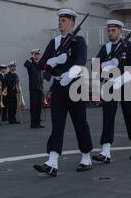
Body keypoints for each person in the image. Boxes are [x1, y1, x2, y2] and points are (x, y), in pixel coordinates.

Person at [33, 9, 94, 176]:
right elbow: (40, 65)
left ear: (72, 23)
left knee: (80, 122)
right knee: (57, 124)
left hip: (75, 86)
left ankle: (86, 156)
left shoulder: (78, 41)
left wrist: (70, 73)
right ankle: (52, 162)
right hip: (59, 87)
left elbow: (81, 62)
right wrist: (52, 61)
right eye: (59, 19)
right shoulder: (54, 42)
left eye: (64, 20)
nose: (60, 22)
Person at [92, 19, 131, 163]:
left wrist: (121, 78)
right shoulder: (105, 48)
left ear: (120, 31)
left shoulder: (128, 46)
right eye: (109, 30)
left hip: (125, 84)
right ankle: (106, 150)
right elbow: (95, 66)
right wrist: (106, 65)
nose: (110, 33)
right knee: (108, 117)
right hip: (109, 85)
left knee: (129, 114)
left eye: (113, 30)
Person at [24, 49, 45, 129]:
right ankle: (33, 124)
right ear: (32, 55)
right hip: (33, 88)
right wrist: (32, 59)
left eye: (38, 54)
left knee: (39, 106)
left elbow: (41, 75)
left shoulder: (39, 64)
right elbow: (26, 65)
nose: (37, 55)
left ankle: (38, 123)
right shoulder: (29, 63)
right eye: (36, 54)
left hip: (39, 87)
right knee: (34, 106)